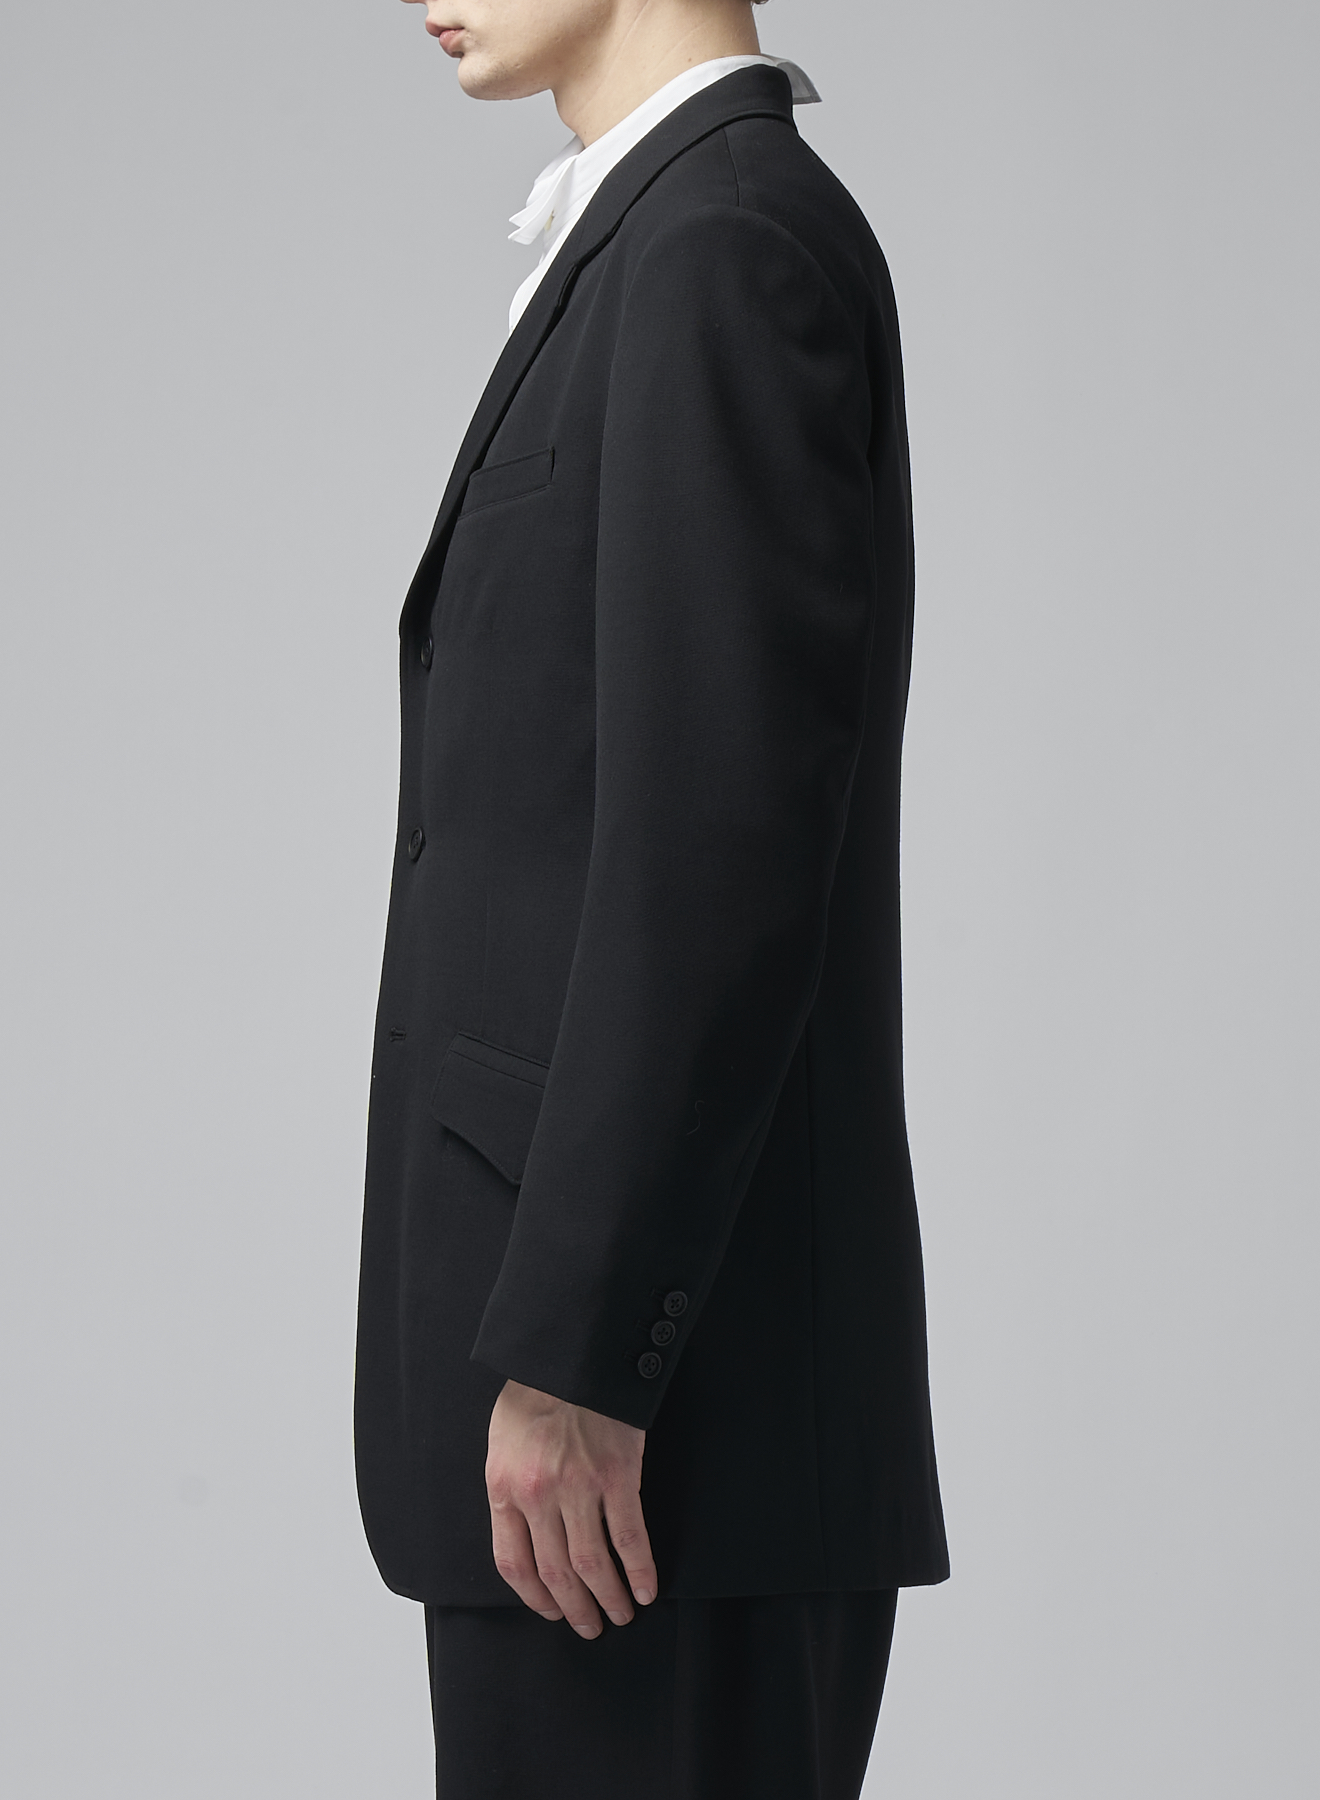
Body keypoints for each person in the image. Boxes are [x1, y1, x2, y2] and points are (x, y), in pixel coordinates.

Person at [354, 1, 949, 1793]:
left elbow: (718, 851)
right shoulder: (666, 233)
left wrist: (581, 1360)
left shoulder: (724, 246)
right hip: (611, 1452)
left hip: (650, 1443)